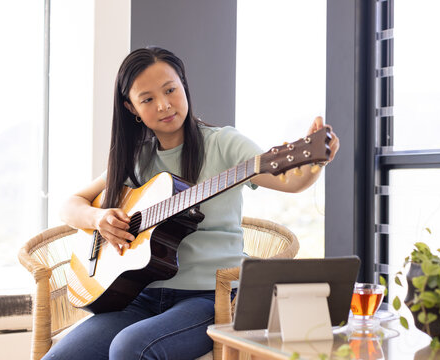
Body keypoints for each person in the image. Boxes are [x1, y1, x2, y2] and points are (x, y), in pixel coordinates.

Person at [44, 46, 339, 360]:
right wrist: (98, 219)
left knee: (130, 348)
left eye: (170, 90)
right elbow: (71, 206)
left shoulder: (223, 144)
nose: (164, 105)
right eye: (147, 99)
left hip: (210, 298)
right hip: (140, 297)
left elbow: (290, 181)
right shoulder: (136, 158)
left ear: (183, 84)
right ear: (131, 108)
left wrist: (314, 163)